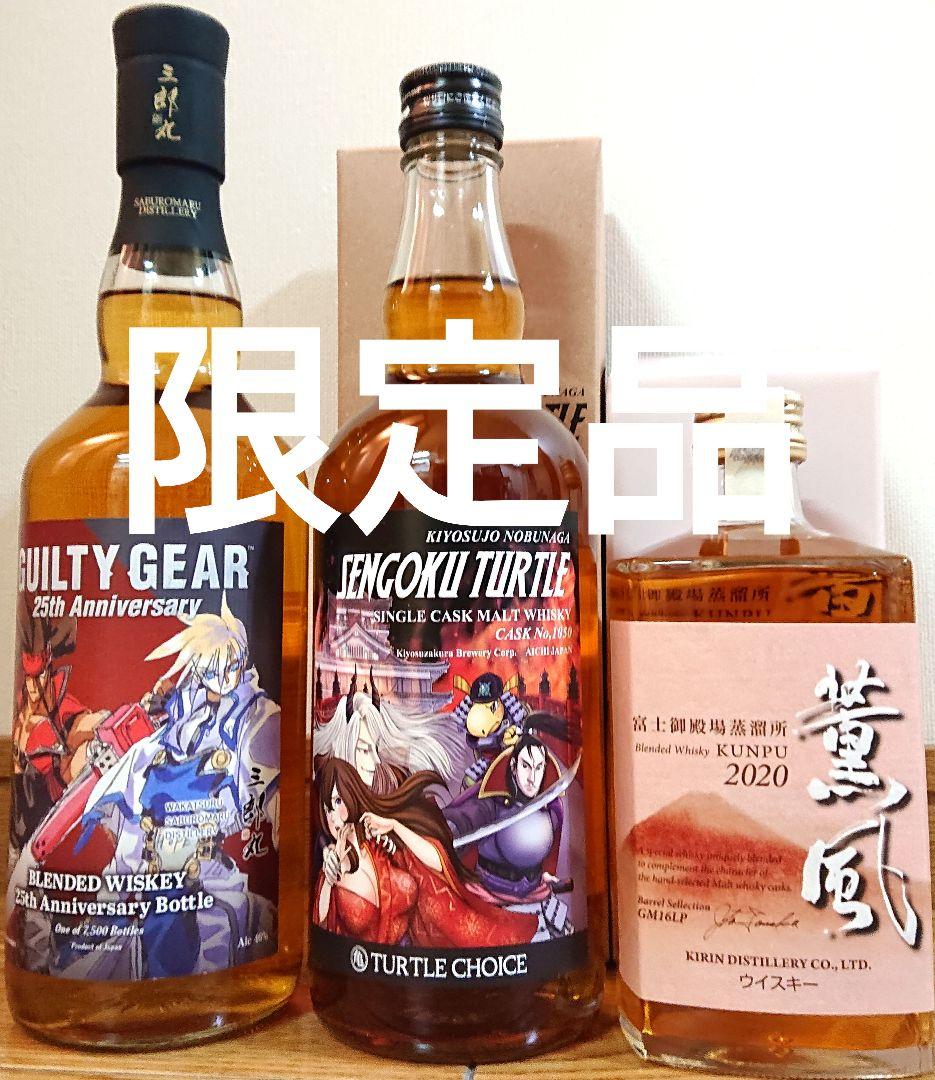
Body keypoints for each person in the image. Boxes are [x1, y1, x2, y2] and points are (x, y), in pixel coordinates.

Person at [313, 757, 537, 948]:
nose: (335, 816)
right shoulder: (332, 866)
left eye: (338, 801)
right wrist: (328, 877)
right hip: (363, 973)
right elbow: (320, 931)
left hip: (412, 962)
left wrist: (395, 826)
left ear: (352, 794)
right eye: (328, 808)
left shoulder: (379, 844)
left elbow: (437, 863)